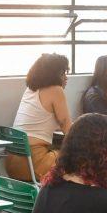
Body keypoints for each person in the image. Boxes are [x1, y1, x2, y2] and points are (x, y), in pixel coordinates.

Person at [8, 53, 72, 182]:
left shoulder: (30, 90)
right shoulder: (56, 90)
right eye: (63, 73)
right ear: (53, 74)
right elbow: (68, 129)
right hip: (34, 162)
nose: (66, 78)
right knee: (79, 158)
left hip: (12, 163)